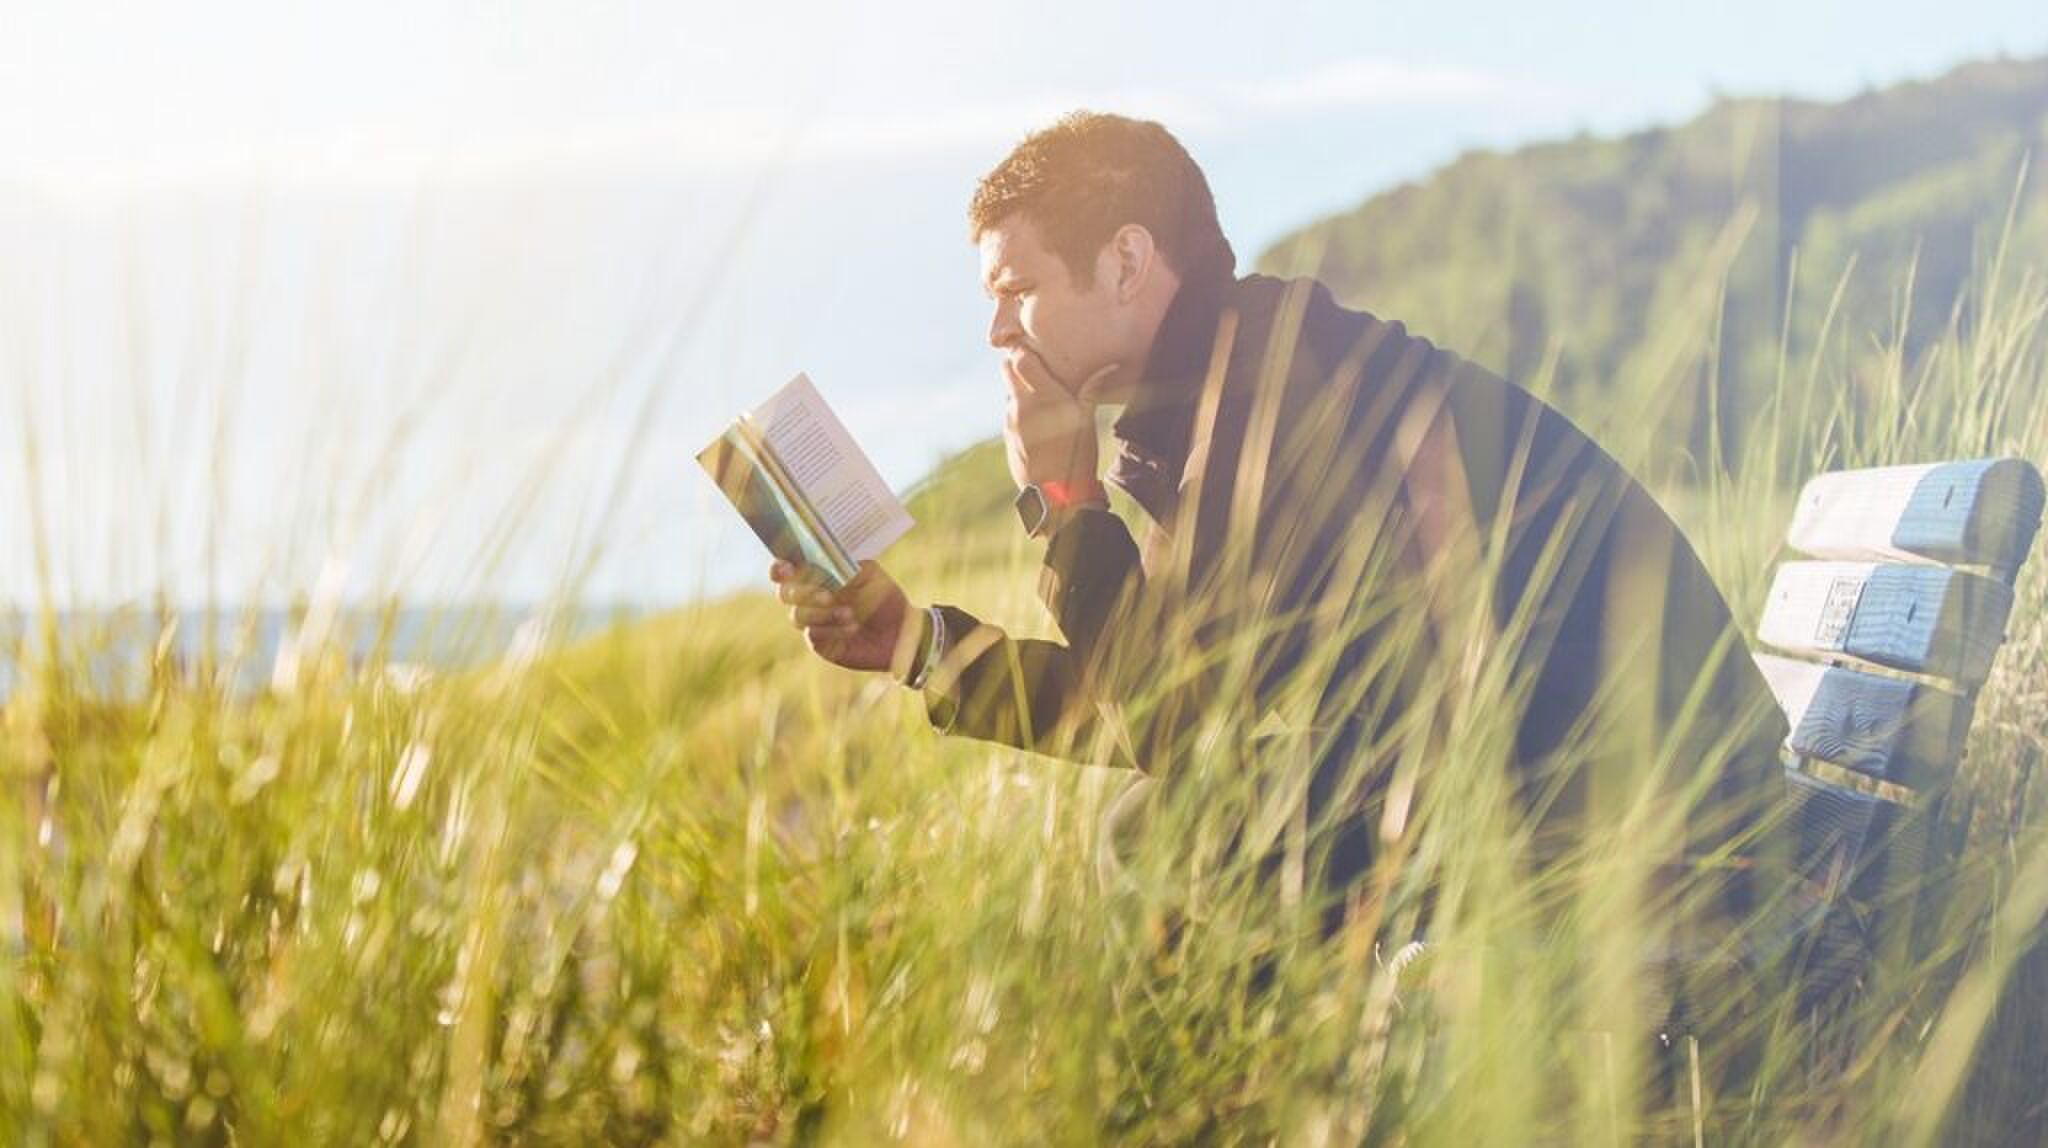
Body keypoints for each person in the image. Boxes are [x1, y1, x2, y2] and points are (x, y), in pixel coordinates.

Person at [767, 112, 1790, 997]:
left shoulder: (1274, 398)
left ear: (1125, 261)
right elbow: (1159, 696)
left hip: (1659, 827)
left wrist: (1070, 503)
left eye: (1015, 287)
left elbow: (1168, 721)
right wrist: (912, 642)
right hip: (1579, 786)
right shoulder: (1228, 384)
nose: (993, 328)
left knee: (1166, 828)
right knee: (1176, 817)